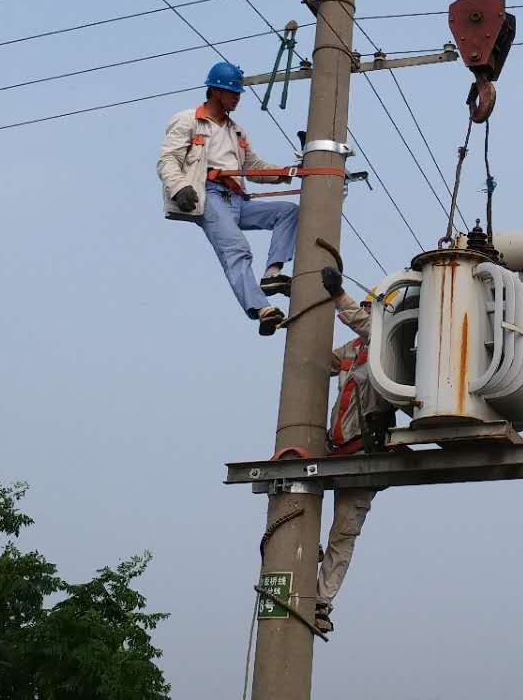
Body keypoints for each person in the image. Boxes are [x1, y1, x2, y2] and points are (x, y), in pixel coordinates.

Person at [157, 61, 297, 336]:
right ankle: (261, 308)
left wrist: (286, 173)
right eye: (232, 92)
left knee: (288, 211)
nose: (237, 98)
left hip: (236, 199)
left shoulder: (236, 131)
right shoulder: (189, 120)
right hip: (208, 195)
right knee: (236, 249)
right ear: (215, 91)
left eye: (238, 93)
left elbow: (253, 167)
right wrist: (179, 187)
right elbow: (168, 160)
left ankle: (272, 274)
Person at [314, 263, 396, 635]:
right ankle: (302, 553)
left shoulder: (390, 346)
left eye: (369, 310)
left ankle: (322, 601)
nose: (364, 316)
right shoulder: (351, 350)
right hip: (335, 448)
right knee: (299, 504)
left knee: (343, 534)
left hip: (365, 454)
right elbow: (317, 360)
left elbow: (367, 326)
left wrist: (337, 294)